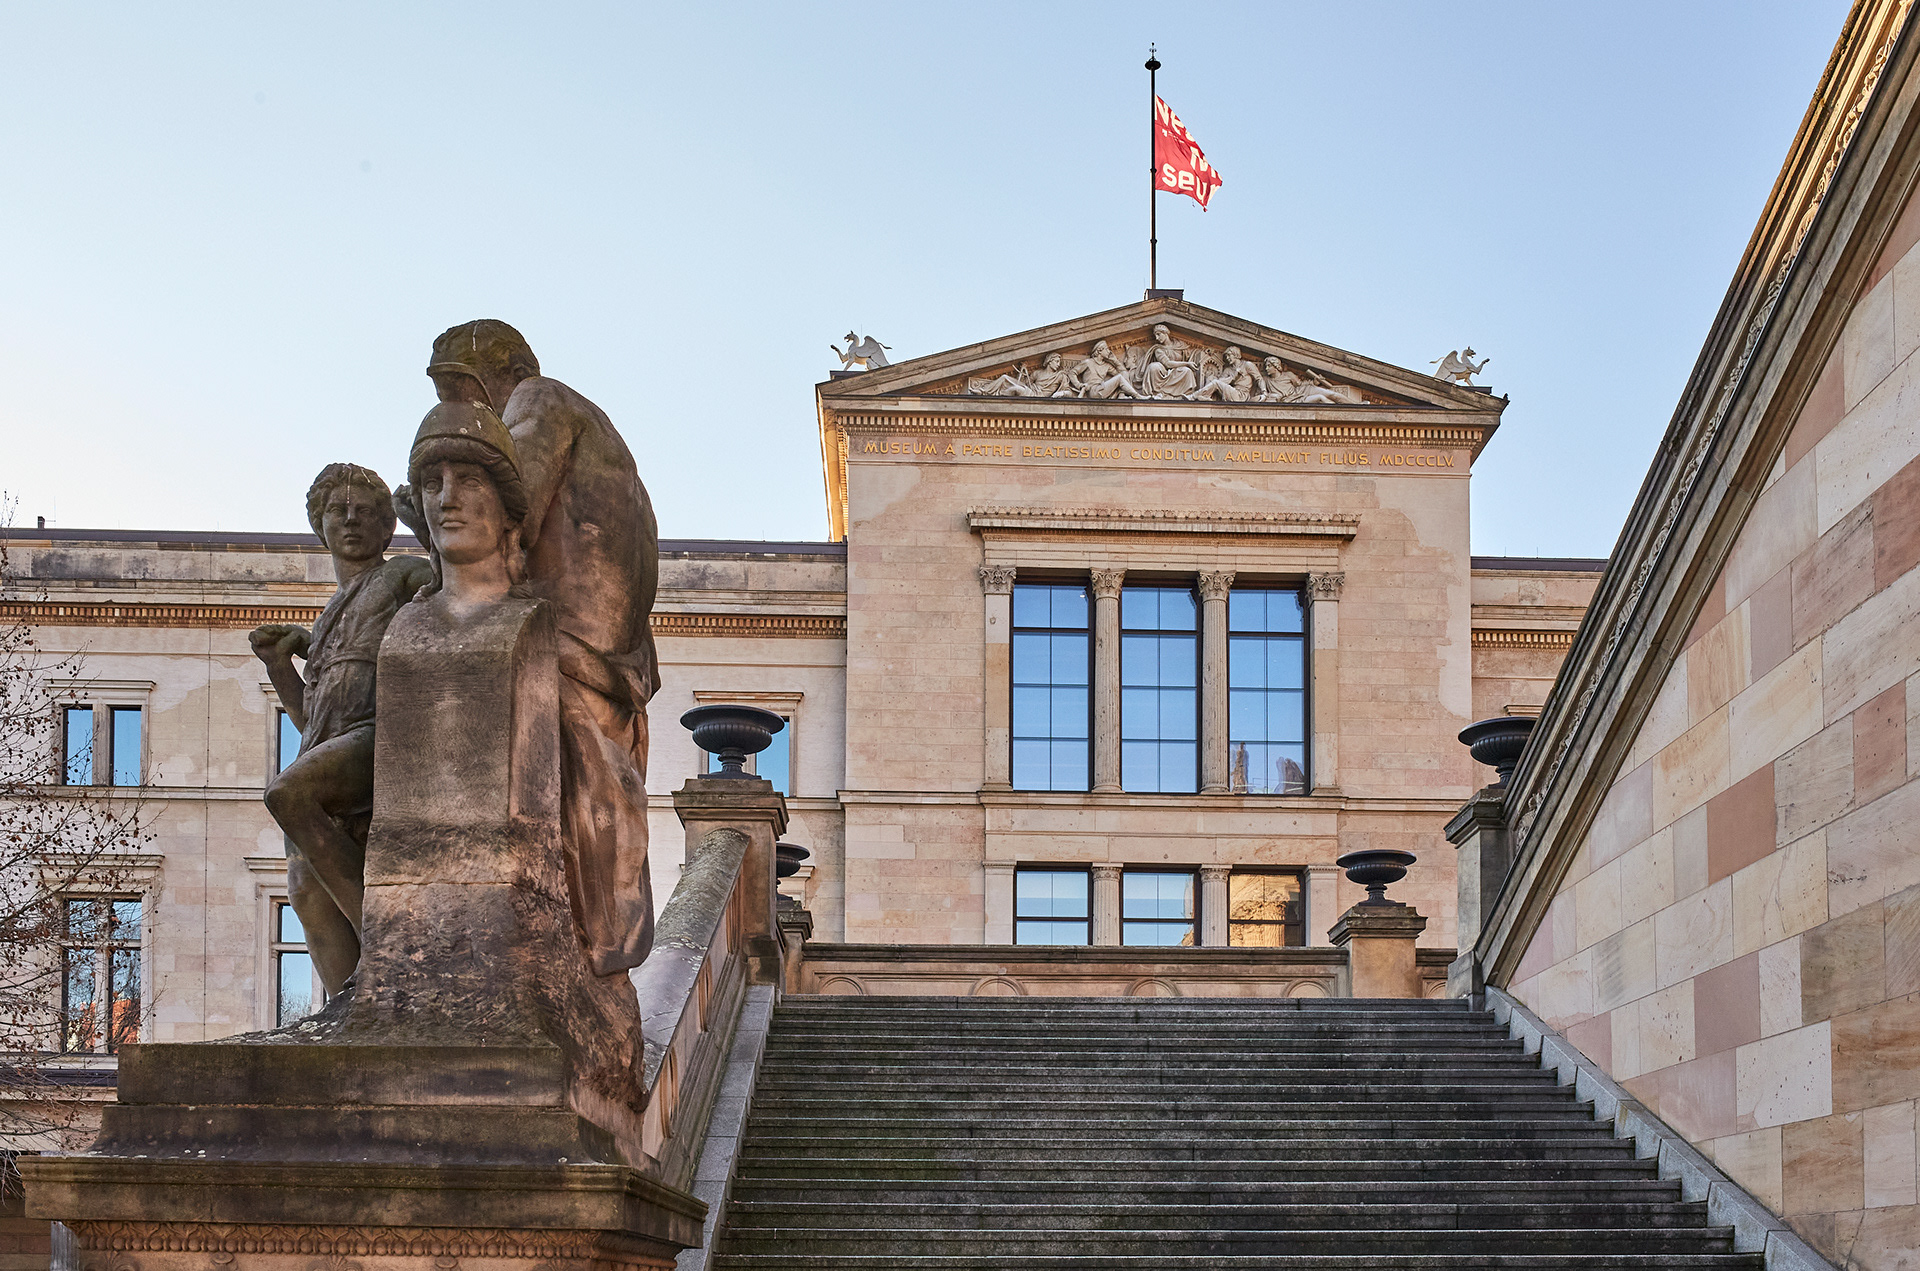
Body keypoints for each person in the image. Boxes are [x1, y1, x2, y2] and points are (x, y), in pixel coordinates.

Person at [407, 320, 658, 977]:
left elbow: (510, 513)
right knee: (593, 810)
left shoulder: (538, 400)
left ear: (507, 373)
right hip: (611, 661)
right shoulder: (599, 428)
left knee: (572, 814)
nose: (466, 422)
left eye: (463, 394)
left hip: (563, 640)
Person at [251, 464, 433, 998]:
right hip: (332, 743)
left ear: (386, 526)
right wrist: (279, 667)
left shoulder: (400, 575)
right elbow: (309, 721)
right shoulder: (329, 613)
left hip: (380, 735)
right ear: (320, 525)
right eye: (338, 510)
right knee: (305, 886)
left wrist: (425, 528)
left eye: (365, 511)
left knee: (288, 794)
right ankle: (345, 1006)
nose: (351, 520)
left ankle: (385, 947)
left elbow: (457, 590)